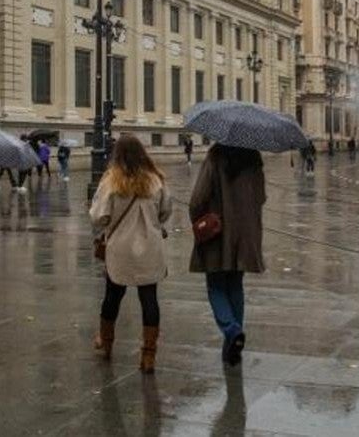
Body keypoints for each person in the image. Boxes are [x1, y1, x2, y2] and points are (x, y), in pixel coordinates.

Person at [90, 135, 171, 374]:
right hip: (150, 248)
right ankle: (148, 355)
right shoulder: (156, 180)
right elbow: (166, 212)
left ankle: (106, 342)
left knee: (112, 297)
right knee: (149, 299)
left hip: (120, 249)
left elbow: (98, 216)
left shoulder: (111, 181)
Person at [190, 144, 265, 366]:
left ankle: (232, 330)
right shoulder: (254, 156)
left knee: (215, 286)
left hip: (217, 233)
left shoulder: (216, 155)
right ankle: (233, 344)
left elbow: (197, 199)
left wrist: (198, 219)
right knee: (235, 286)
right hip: (244, 233)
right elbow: (261, 197)